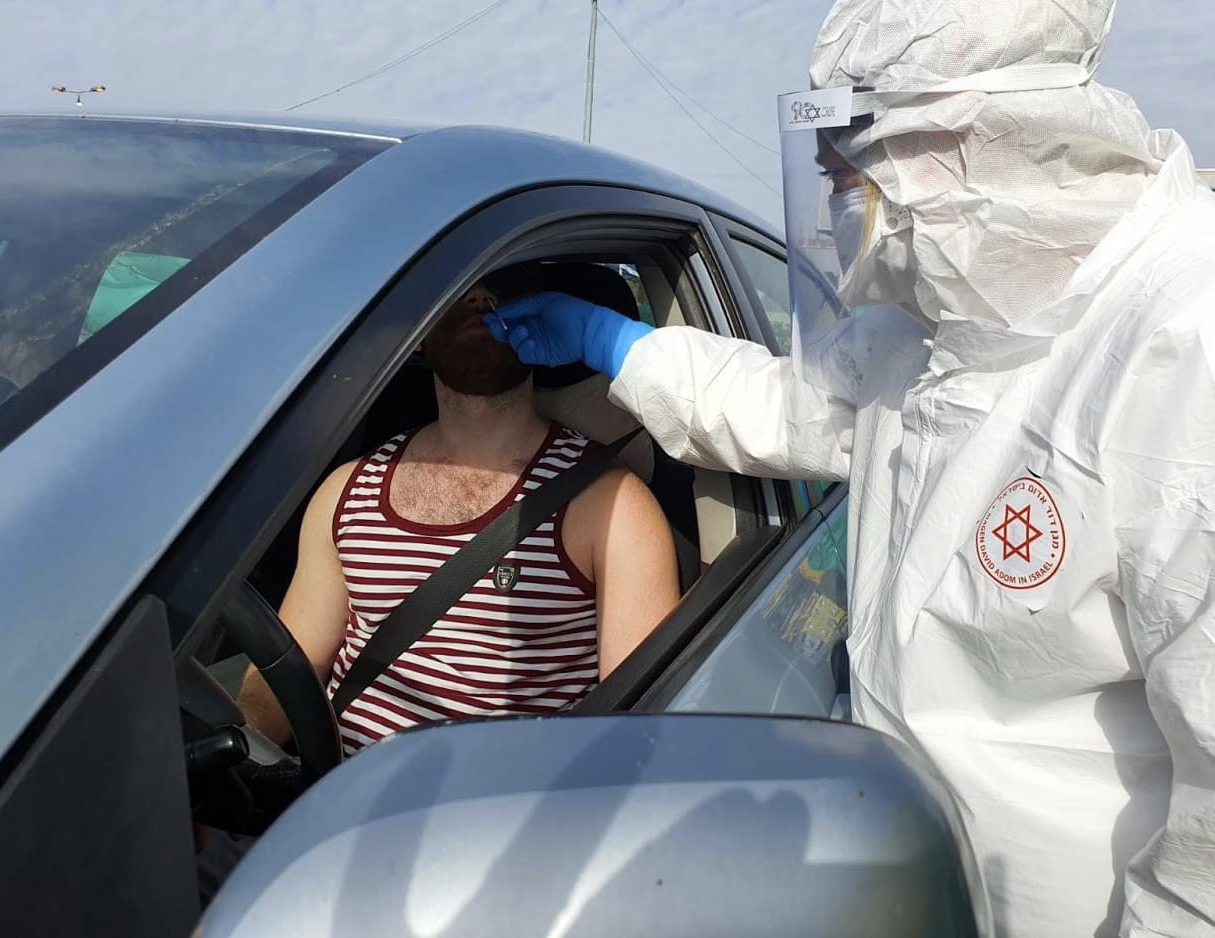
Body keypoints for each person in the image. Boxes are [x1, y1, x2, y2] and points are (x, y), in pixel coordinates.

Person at [485, 2, 1215, 935]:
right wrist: (615, 342)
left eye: (847, 175)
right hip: (904, 875)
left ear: (951, 139)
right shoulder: (931, 326)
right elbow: (785, 407)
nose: (837, 207)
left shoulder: (1181, 344)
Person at [237, 280, 680, 753]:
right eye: (458, 290)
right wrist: (227, 764)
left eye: (500, 288)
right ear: (419, 337)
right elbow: (285, 679)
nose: (479, 299)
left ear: (540, 326)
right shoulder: (347, 490)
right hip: (343, 789)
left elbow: (637, 731)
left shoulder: (611, 504)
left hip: (505, 795)